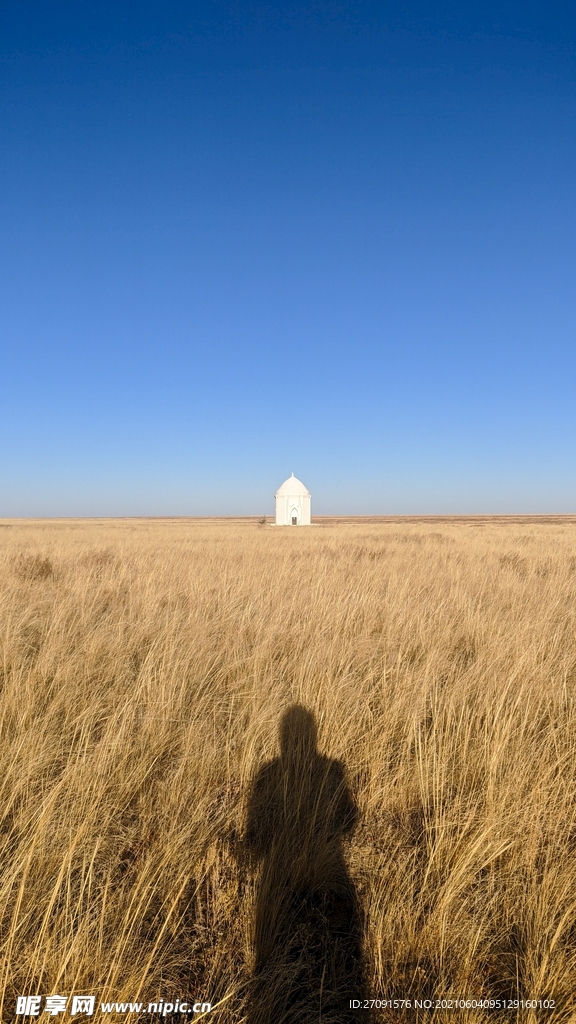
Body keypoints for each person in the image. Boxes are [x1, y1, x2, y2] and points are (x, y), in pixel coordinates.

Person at [244, 705, 365, 1023]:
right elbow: (349, 821)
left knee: (280, 957)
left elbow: (254, 836)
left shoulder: (268, 772)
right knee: (332, 959)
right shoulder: (332, 770)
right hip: (328, 879)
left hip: (278, 885)